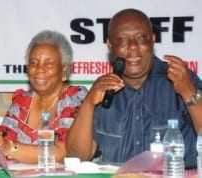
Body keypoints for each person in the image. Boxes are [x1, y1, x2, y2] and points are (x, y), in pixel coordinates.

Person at [66, 8, 202, 168]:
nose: (132, 47)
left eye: (141, 38)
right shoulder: (103, 90)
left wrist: (189, 93)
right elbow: (76, 156)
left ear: (152, 39)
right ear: (110, 45)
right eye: (122, 40)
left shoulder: (182, 80)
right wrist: (88, 103)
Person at [0, 30, 87, 164]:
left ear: (64, 69)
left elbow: (62, 153)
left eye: (48, 63)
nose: (39, 69)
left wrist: (11, 148)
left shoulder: (75, 99)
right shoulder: (22, 102)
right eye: (34, 63)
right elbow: (4, 140)